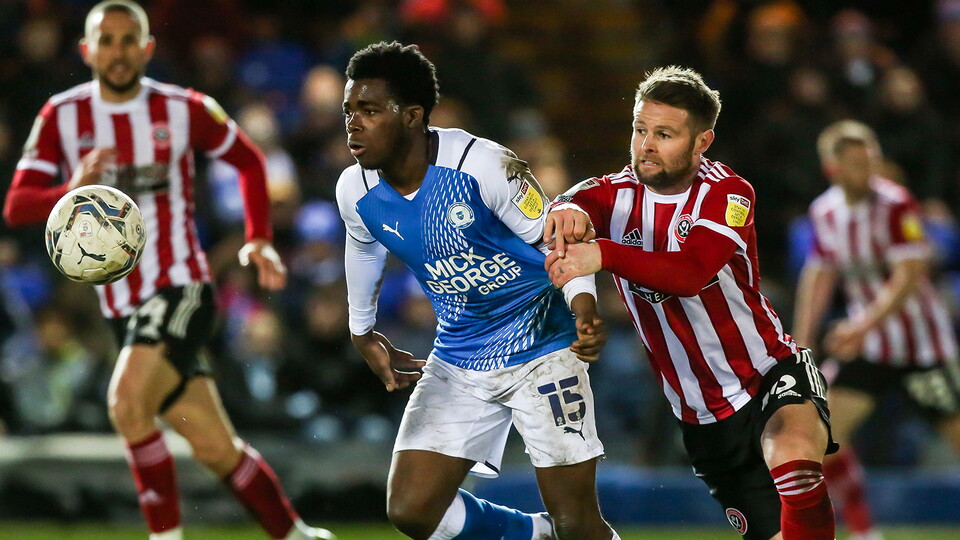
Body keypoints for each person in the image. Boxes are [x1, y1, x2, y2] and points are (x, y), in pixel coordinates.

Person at [2, 2, 334, 539]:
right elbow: (17, 206)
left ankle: (165, 537)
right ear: (86, 50)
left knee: (126, 404)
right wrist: (71, 189)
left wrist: (258, 238)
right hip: (121, 306)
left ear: (148, 48)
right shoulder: (61, 115)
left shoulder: (184, 108)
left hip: (180, 285)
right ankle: (298, 535)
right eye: (106, 40)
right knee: (213, 446)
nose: (118, 50)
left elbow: (249, 159)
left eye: (129, 39)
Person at [336, 41, 620, 540]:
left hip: (544, 347)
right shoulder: (354, 191)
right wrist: (362, 330)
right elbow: (362, 248)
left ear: (412, 116)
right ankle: (535, 535)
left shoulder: (484, 164)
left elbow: (558, 240)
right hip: (459, 354)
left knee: (577, 523)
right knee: (412, 511)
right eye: (349, 111)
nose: (353, 123)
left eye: (369, 110)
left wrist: (583, 306)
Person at [543, 66, 837, 540]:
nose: (646, 145)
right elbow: (573, 205)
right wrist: (566, 208)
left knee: (795, 463)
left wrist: (601, 254)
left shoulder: (727, 192)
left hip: (767, 372)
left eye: (664, 134)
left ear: (702, 142)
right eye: (640, 129)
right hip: (700, 415)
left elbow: (691, 273)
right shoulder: (613, 194)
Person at [792, 120, 960, 540]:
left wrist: (860, 325)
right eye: (855, 163)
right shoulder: (825, 212)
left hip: (923, 347)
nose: (867, 171)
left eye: (870, 161)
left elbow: (909, 274)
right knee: (820, 431)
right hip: (869, 348)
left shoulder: (897, 203)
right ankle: (865, 531)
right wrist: (801, 342)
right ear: (833, 169)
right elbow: (820, 275)